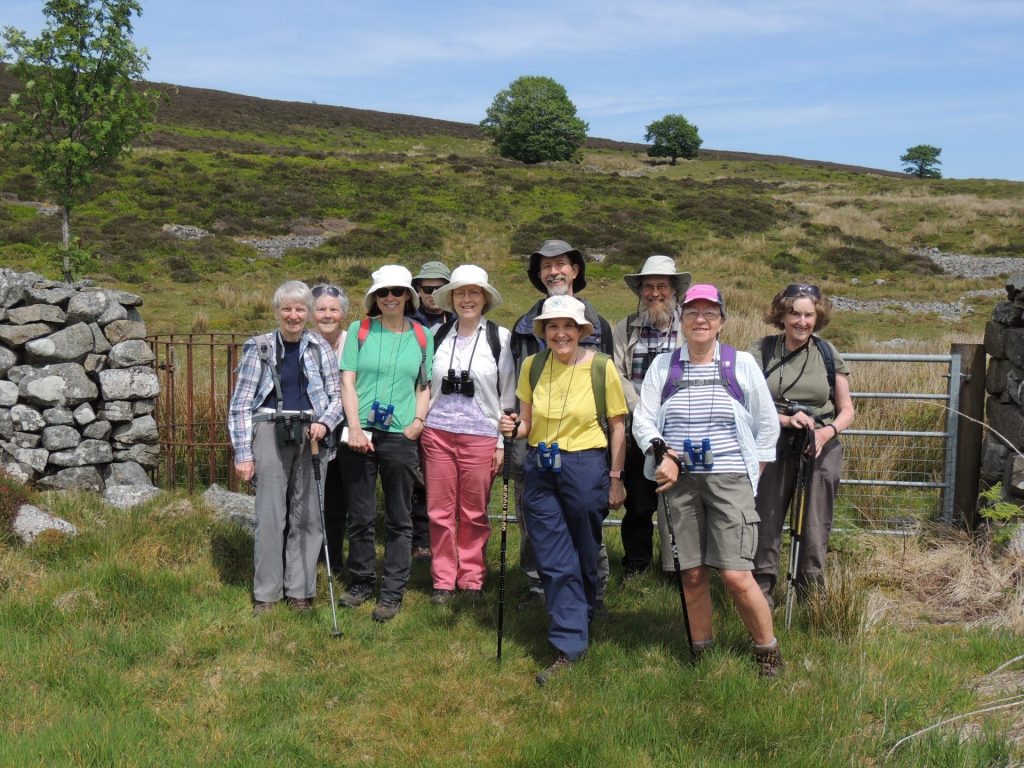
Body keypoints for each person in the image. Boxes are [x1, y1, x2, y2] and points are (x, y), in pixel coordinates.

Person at [631, 284, 785, 677]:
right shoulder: (664, 367)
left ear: (722, 321)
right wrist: (662, 452)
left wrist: (752, 473)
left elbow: (767, 424)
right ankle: (702, 651)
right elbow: (643, 420)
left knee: (735, 573)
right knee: (693, 572)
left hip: (729, 477)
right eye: (693, 312)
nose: (701, 320)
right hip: (677, 480)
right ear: (681, 319)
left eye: (710, 313)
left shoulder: (741, 364)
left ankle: (767, 652)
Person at [499, 295, 627, 685]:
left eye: (568, 326)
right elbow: (526, 423)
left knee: (586, 549)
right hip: (540, 466)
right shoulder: (532, 365)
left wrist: (616, 477)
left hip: (586, 466)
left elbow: (618, 425)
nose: (560, 333)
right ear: (544, 333)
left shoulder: (602, 368)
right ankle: (568, 645)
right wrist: (512, 429)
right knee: (554, 557)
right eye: (552, 327)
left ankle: (585, 611)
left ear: (581, 331)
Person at [228, 280, 343, 616]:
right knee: (270, 515)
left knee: (308, 516)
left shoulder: (319, 348)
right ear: (277, 311)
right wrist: (243, 454)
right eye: (287, 309)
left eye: (300, 309)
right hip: (269, 430)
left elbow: (337, 398)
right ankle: (267, 594)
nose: (293, 316)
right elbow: (241, 404)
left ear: (308, 312)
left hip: (312, 433)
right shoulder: (259, 347)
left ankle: (301, 590)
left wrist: (326, 422)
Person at [510, 239, 614, 610]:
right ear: (539, 276)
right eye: (545, 267)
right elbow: (516, 387)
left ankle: (593, 588)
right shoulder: (524, 326)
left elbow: (609, 387)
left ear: (575, 271)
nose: (554, 271)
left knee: (585, 522)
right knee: (535, 520)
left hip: (585, 446)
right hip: (535, 443)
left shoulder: (599, 322)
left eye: (561, 265)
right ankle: (540, 587)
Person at [336, 265, 434, 623]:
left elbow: (423, 385)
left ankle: (392, 591)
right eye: (383, 293)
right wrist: (355, 427)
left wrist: (417, 424)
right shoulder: (359, 330)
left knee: (399, 516)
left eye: (396, 291)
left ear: (408, 295)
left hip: (400, 436)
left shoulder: (423, 336)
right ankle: (361, 582)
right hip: (361, 433)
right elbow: (348, 382)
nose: (390, 298)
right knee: (360, 515)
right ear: (374, 298)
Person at [751, 283, 855, 607]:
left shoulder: (827, 353)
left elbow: (847, 409)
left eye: (808, 314)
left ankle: (811, 601)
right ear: (781, 315)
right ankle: (760, 598)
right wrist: (783, 420)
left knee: (814, 527)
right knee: (766, 523)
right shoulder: (763, 351)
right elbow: (747, 401)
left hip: (819, 447)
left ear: (817, 317)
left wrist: (826, 433)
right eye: (794, 313)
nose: (801, 321)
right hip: (772, 445)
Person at [421, 265, 516, 604]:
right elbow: (424, 385)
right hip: (438, 434)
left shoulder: (500, 338)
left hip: (482, 435)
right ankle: (444, 579)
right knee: (439, 511)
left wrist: (503, 442)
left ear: (485, 298)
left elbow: (508, 395)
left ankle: (472, 578)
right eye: (460, 293)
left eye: (473, 292)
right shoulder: (437, 336)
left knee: (474, 512)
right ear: (451, 299)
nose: (466, 299)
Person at [612, 255, 691, 578]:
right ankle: (637, 564)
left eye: (662, 286)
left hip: (680, 426)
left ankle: (680, 566)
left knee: (682, 502)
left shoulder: (690, 327)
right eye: (648, 287)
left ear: (674, 290)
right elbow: (618, 373)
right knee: (640, 502)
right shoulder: (625, 327)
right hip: (637, 427)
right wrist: (642, 409)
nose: (654, 293)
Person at [409, 260, 452, 559]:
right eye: (426, 288)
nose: (433, 294)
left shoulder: (461, 320)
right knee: (416, 478)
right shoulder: (407, 321)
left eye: (440, 288)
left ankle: (449, 540)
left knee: (444, 478)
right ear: (417, 290)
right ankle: (420, 541)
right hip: (413, 406)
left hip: (448, 409)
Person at [311, 282, 351, 568]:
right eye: (322, 309)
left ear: (343, 313)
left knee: (337, 500)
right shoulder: (303, 342)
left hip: (347, 431)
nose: (327, 315)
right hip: (314, 433)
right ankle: (307, 558)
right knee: (310, 499)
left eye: (333, 309)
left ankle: (333, 562)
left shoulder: (352, 342)